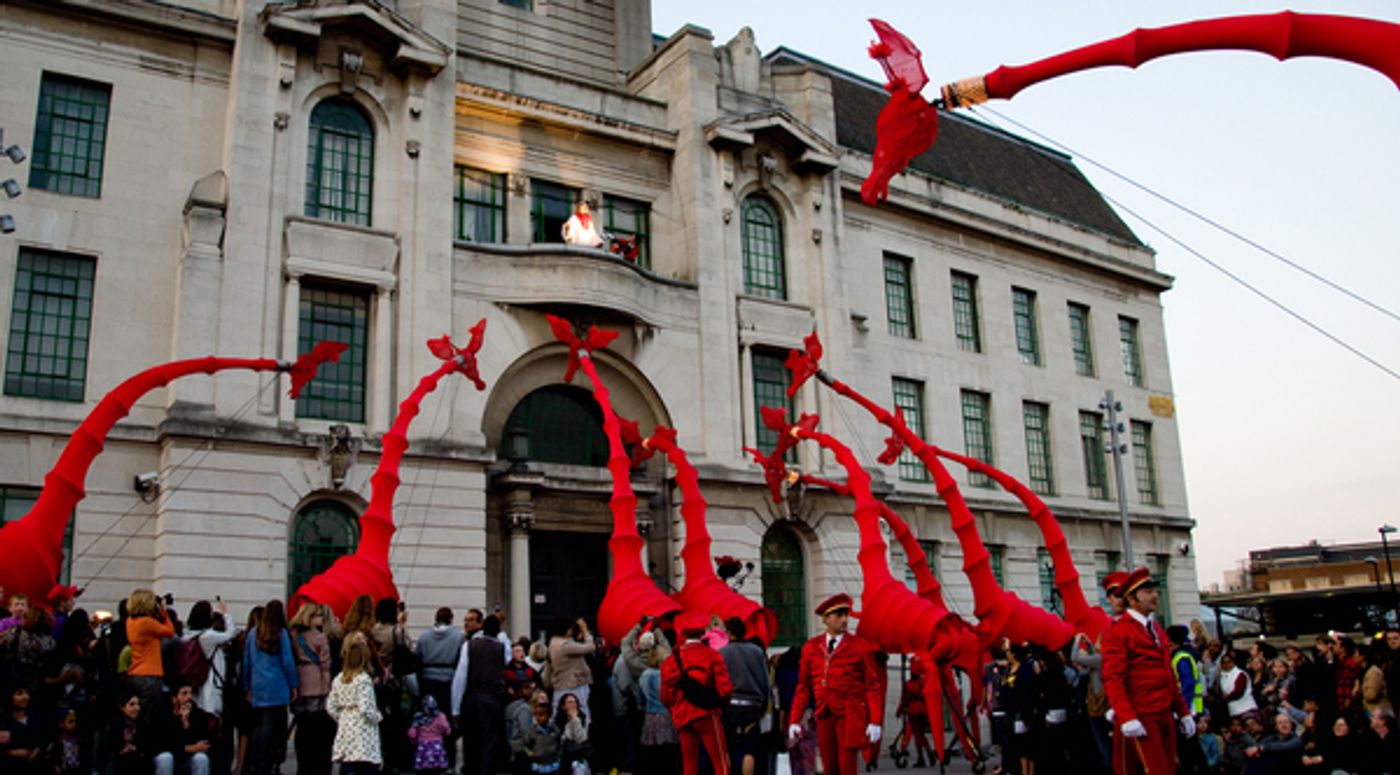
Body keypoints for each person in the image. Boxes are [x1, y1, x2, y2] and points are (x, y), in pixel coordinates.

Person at [1101, 567, 1194, 775]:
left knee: (1167, 768)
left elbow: (1168, 675)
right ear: (1132, 598)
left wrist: (1183, 712)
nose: (1155, 595)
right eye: (1147, 591)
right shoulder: (1119, 631)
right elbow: (1113, 678)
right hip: (1142, 713)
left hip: (1163, 711)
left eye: (1155, 591)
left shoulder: (1157, 629)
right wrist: (1126, 716)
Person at [787, 593, 883, 775]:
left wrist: (875, 720)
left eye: (846, 614)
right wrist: (794, 719)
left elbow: (872, 686)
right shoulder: (812, 647)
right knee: (829, 766)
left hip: (850, 714)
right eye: (839, 615)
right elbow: (803, 687)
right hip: (824, 713)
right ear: (826, 619)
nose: (845, 619)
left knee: (847, 766)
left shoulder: (860, 646)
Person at [661, 611, 733, 775]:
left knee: (689, 763)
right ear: (703, 631)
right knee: (719, 761)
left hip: (682, 714)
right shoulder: (711, 655)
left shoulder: (671, 661)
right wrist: (722, 701)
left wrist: (675, 707)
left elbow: (665, 695)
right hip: (707, 713)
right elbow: (725, 689)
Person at [242, 600, 299, 775]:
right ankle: (273, 762)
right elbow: (288, 662)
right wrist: (294, 684)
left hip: (259, 686)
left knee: (260, 727)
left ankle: (258, 763)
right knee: (278, 728)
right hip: (278, 686)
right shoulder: (281, 634)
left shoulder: (253, 634)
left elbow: (247, 661)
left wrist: (247, 685)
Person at [452, 612, 509, 775]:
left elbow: (460, 677)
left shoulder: (469, 646)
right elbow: (507, 662)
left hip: (472, 697)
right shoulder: (501, 647)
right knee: (489, 744)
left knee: (471, 743)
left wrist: (455, 708)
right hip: (492, 699)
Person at [720, 616, 770, 775]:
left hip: (730, 704)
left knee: (729, 748)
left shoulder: (722, 653)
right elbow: (764, 680)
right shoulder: (757, 652)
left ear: (729, 632)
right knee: (750, 749)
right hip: (752, 704)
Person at [416, 606, 463, 772]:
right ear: (451, 619)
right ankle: (447, 760)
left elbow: (418, 658)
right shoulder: (458, 637)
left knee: (427, 720)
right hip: (448, 680)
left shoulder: (424, 637)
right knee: (446, 721)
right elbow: (460, 661)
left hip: (428, 680)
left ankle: (424, 757)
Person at [288, 603, 333, 775]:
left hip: (301, 681)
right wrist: (328, 687)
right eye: (319, 615)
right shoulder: (320, 637)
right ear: (311, 617)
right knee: (317, 729)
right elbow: (325, 664)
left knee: (302, 727)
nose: (321, 618)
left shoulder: (294, 635)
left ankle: (303, 764)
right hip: (317, 682)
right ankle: (317, 765)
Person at [329, 636, 383, 775]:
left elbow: (330, 705)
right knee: (365, 765)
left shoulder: (339, 679)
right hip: (363, 730)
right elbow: (365, 707)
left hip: (346, 726)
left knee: (348, 764)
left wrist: (341, 717)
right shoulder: (363, 679)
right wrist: (376, 716)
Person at [153, 681, 214, 775]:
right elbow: (161, 743)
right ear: (174, 698)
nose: (189, 697)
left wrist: (186, 722)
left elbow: (203, 744)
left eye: (191, 693)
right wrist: (188, 748)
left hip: (187, 762)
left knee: (201, 758)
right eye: (184, 693)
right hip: (168, 761)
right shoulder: (162, 714)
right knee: (165, 757)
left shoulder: (198, 715)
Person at [638, 642, 680, 775]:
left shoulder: (644, 675)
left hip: (650, 716)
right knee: (670, 754)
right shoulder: (667, 675)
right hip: (667, 716)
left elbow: (639, 699)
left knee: (652, 756)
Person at [408, 693, 451, 774]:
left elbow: (411, 734)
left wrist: (413, 741)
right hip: (437, 748)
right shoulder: (440, 716)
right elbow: (447, 730)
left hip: (422, 749)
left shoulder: (418, 716)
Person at [523, 689, 563, 774]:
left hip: (553, 764)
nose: (539, 718)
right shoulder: (532, 731)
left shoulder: (555, 729)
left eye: (541, 715)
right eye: (536, 715)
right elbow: (525, 745)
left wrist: (558, 755)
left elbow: (560, 744)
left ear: (548, 715)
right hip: (538, 766)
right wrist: (530, 753)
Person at [556, 692, 591, 774]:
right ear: (563, 706)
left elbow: (581, 738)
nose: (573, 704)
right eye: (570, 702)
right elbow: (562, 740)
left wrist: (575, 719)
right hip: (564, 757)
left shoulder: (584, 719)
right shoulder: (558, 722)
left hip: (580, 756)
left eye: (575, 702)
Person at [1219, 650, 1260, 722]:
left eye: (1229, 662)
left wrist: (1227, 697)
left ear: (1233, 662)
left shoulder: (1240, 674)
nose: (1226, 665)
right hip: (1233, 711)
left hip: (1247, 709)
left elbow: (1238, 692)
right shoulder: (1222, 676)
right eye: (1224, 663)